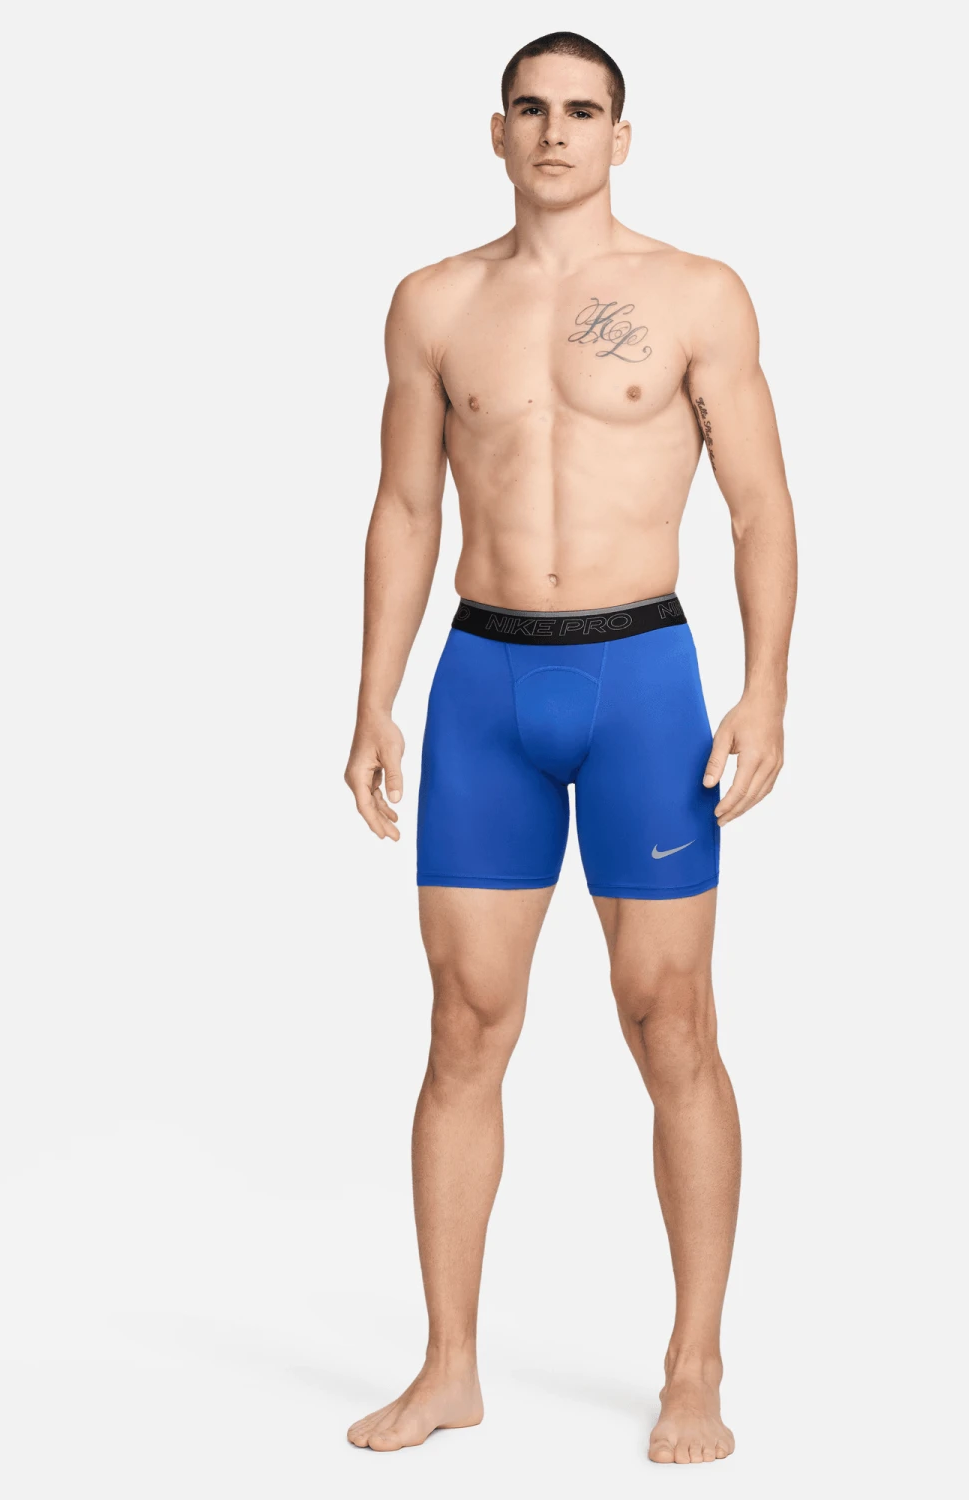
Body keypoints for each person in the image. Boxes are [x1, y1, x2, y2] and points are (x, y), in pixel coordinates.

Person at [343, 31, 796, 1465]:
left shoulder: (697, 294)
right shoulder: (433, 303)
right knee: (464, 1025)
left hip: (642, 681)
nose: (555, 132)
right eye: (530, 109)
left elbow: (761, 507)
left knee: (672, 1021)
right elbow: (405, 509)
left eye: (582, 111)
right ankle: (449, 1366)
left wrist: (768, 688)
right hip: (484, 683)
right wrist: (374, 696)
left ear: (620, 136)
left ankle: (694, 1364)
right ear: (497, 133)